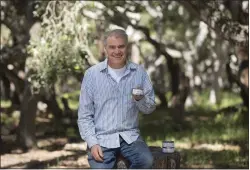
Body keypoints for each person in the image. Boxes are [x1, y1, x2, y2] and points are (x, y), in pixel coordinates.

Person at [77, 28, 156, 169]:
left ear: (127, 47)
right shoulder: (92, 75)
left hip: (130, 137)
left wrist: (140, 99)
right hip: (101, 138)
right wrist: (92, 143)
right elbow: (84, 115)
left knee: (146, 161)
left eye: (121, 46)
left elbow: (149, 108)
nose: (117, 51)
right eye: (112, 47)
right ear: (105, 48)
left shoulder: (139, 73)